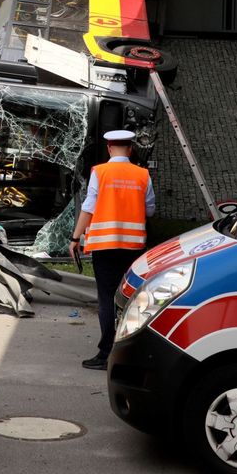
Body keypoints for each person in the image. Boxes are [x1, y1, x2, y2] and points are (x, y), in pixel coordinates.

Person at [69, 129, 155, 370]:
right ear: (130, 149)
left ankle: (106, 353)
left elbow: (89, 207)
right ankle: (130, 352)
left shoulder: (100, 172)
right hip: (133, 247)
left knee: (107, 298)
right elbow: (150, 210)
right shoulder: (142, 175)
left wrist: (75, 238)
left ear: (109, 148)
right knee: (130, 299)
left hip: (105, 247)